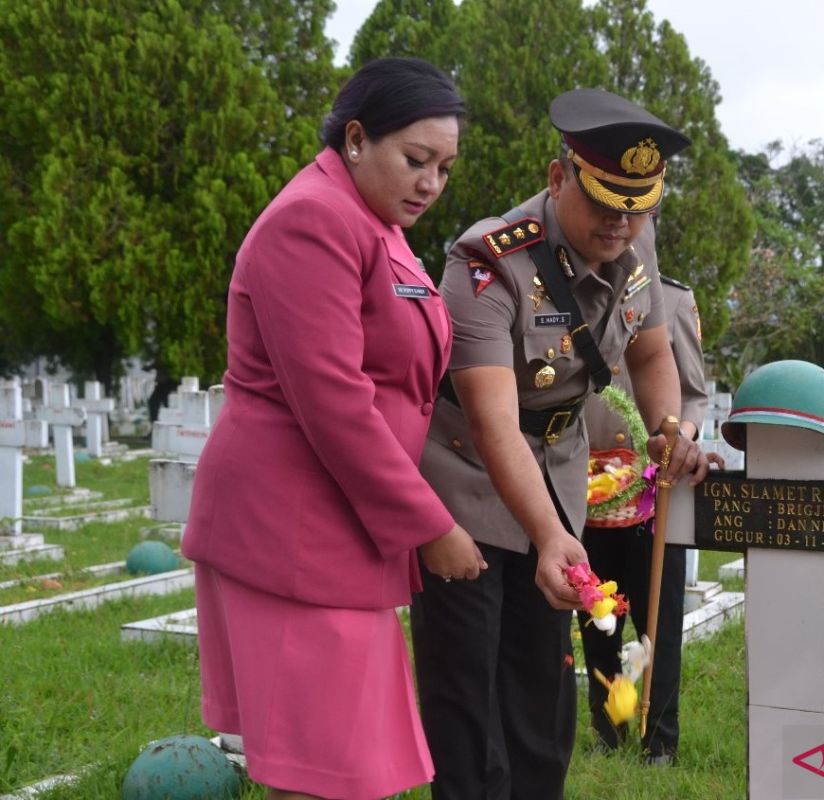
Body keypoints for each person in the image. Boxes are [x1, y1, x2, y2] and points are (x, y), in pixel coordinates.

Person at [181, 58, 486, 800]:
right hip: (287, 529)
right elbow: (333, 399)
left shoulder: (375, 225)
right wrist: (429, 525)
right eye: (416, 160)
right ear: (356, 139)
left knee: (347, 763)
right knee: (319, 770)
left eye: (444, 169)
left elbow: (406, 377)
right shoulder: (312, 221)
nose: (431, 184)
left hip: (338, 528)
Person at [412, 88, 711, 800]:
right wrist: (548, 537)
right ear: (558, 178)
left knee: (542, 688)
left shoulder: (636, 237)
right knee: (469, 688)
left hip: (557, 472)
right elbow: (492, 424)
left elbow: (649, 352)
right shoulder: (487, 262)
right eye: (606, 201)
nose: (622, 223)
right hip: (467, 480)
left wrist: (670, 428)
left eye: (639, 205)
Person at [578, 274, 708, 765]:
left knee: (659, 622)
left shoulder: (672, 299)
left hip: (656, 487)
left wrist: (677, 437)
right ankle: (607, 725)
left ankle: (660, 737)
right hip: (587, 488)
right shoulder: (567, 296)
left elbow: (693, 394)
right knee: (596, 614)